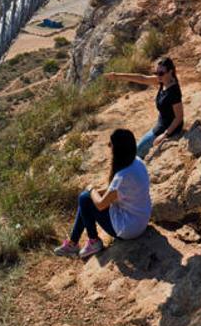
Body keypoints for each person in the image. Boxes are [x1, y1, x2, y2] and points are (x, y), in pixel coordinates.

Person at [53, 128, 151, 259]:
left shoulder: (121, 176)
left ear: (118, 149)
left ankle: (93, 241)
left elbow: (101, 205)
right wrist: (93, 193)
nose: (108, 146)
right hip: (141, 219)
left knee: (84, 198)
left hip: (129, 229)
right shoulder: (137, 162)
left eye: (111, 144)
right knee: (86, 199)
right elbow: (115, 191)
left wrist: (91, 189)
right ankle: (73, 243)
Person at [106, 56, 184, 159]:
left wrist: (164, 135)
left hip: (167, 129)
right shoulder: (163, 81)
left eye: (161, 73)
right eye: (157, 73)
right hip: (161, 125)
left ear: (170, 72)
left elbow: (179, 118)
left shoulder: (174, 92)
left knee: (137, 151)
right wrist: (117, 76)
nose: (158, 76)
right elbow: (142, 78)